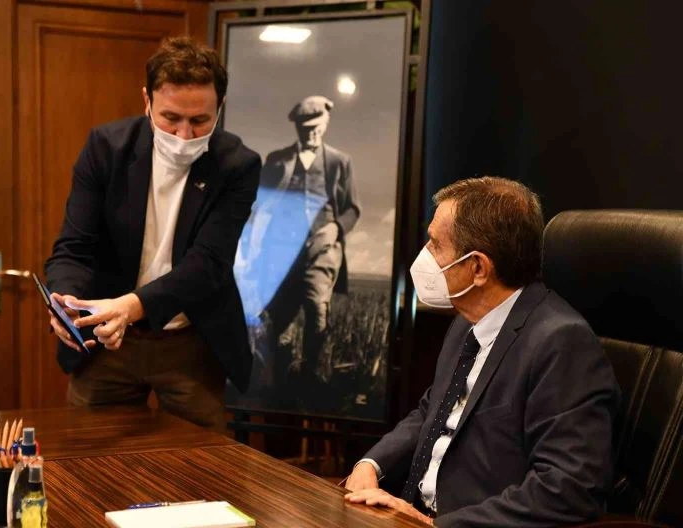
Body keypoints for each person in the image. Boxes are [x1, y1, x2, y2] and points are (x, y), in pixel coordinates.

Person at [343, 177, 620, 526]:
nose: (424, 254)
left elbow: (567, 487)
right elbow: (431, 413)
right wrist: (371, 465)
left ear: (477, 268)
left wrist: (436, 525)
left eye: (435, 244)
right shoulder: (466, 323)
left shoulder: (562, 343)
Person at [44, 37, 261, 432]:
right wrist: (67, 303)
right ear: (146, 100)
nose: (184, 135)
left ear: (220, 106)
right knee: (89, 453)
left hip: (190, 341)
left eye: (200, 121)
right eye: (170, 118)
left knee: (200, 461)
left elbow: (208, 265)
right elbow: (74, 247)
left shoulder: (237, 165)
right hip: (107, 342)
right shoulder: (106, 149)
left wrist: (130, 307)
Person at [244, 95, 360, 388]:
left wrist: (335, 228)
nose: (312, 133)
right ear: (296, 127)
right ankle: (271, 377)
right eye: (306, 128)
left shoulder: (339, 161)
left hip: (322, 250)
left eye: (317, 127)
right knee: (276, 314)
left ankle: (309, 375)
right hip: (281, 252)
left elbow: (352, 208)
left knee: (317, 306)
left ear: (325, 124)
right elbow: (260, 204)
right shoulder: (276, 160)